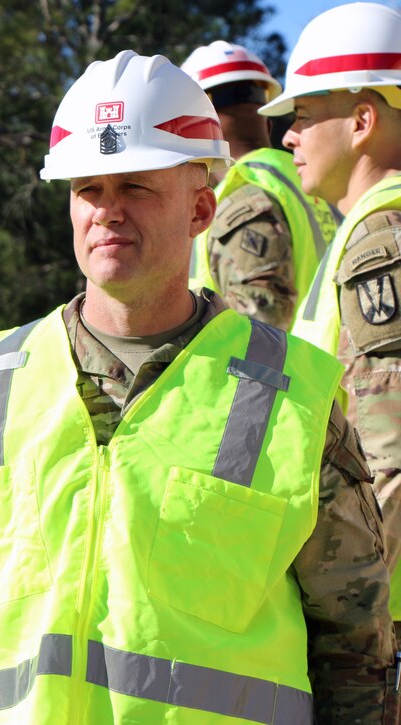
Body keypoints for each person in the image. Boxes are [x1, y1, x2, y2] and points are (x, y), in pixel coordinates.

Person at [0, 50, 395, 724]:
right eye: (87, 189)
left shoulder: (290, 398)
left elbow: (354, 655)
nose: (106, 211)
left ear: (201, 207)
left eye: (135, 187)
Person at [258, 1, 401, 633]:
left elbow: (391, 458)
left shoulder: (380, 243)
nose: (288, 135)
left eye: (305, 115)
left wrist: (352, 622)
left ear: (363, 119)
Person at [181, 41, 340, 330]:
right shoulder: (312, 183)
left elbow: (257, 341)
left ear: (199, 129)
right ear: (267, 124)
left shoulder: (243, 198)